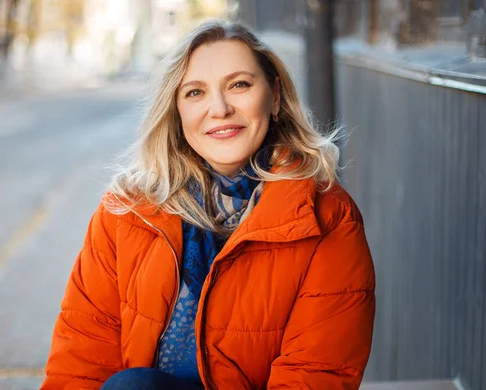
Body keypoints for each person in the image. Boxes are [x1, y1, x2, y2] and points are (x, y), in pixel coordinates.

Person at [41, 20, 375, 390]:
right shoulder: (128, 211)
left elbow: (315, 375)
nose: (219, 108)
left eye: (239, 85)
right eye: (195, 93)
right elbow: (81, 360)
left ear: (275, 96)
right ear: (176, 111)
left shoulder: (327, 216)